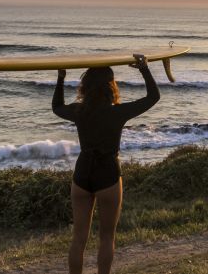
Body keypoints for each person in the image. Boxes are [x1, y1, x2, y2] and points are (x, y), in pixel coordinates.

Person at [52, 54, 159, 274]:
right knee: (107, 237)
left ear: (86, 86)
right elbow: (152, 97)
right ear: (111, 86)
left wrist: (61, 78)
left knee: (79, 238)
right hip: (108, 174)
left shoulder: (78, 111)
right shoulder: (117, 112)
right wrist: (144, 69)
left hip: (82, 174)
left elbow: (57, 107)